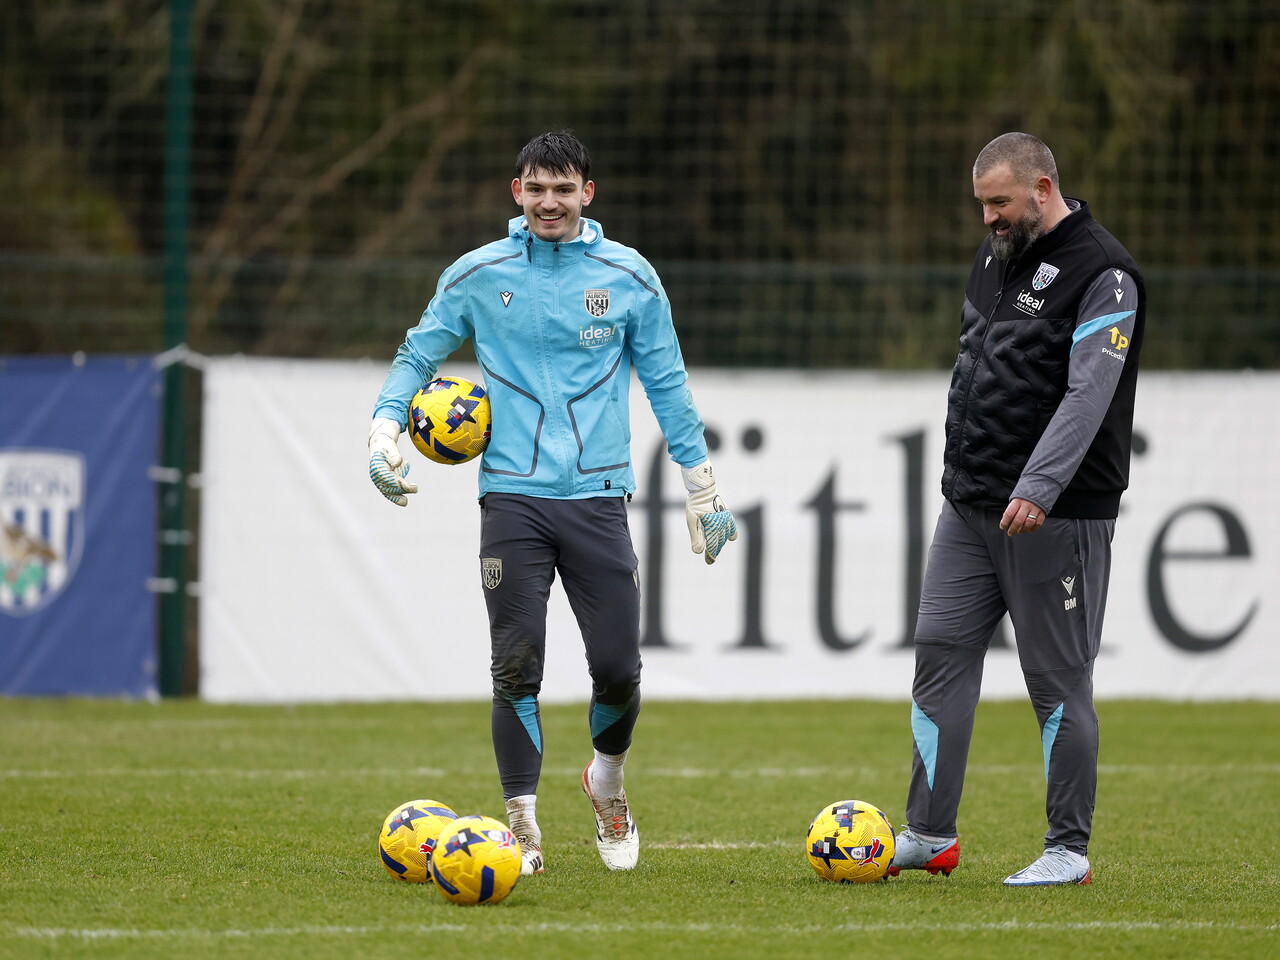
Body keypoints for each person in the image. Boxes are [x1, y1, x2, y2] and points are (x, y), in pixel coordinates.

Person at [366, 130, 737, 876]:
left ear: (587, 195)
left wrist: (703, 490)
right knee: (515, 664)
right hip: (511, 499)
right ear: (517, 194)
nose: (549, 203)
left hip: (599, 498)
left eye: (563, 189)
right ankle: (522, 830)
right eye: (536, 189)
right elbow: (418, 353)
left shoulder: (629, 276)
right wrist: (383, 430)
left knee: (619, 667)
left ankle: (607, 783)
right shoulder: (478, 273)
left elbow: (668, 385)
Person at [887, 132, 1145, 886]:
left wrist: (1039, 486)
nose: (989, 218)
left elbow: (1087, 393)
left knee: (1057, 680)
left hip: (1055, 514)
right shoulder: (997, 254)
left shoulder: (1107, 273)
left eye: (1000, 202)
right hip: (968, 506)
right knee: (938, 651)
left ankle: (1068, 850)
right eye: (982, 205)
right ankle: (929, 834)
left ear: (1042, 188)